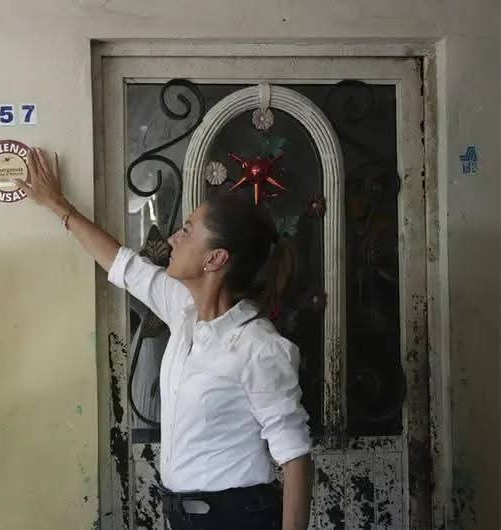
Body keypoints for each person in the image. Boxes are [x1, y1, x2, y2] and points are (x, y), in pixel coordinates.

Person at [16, 147, 312, 530]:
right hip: (184, 516)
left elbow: (295, 457)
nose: (173, 239)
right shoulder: (183, 309)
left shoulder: (257, 347)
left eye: (187, 231)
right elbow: (123, 265)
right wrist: (59, 206)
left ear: (215, 259)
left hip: (236, 518)